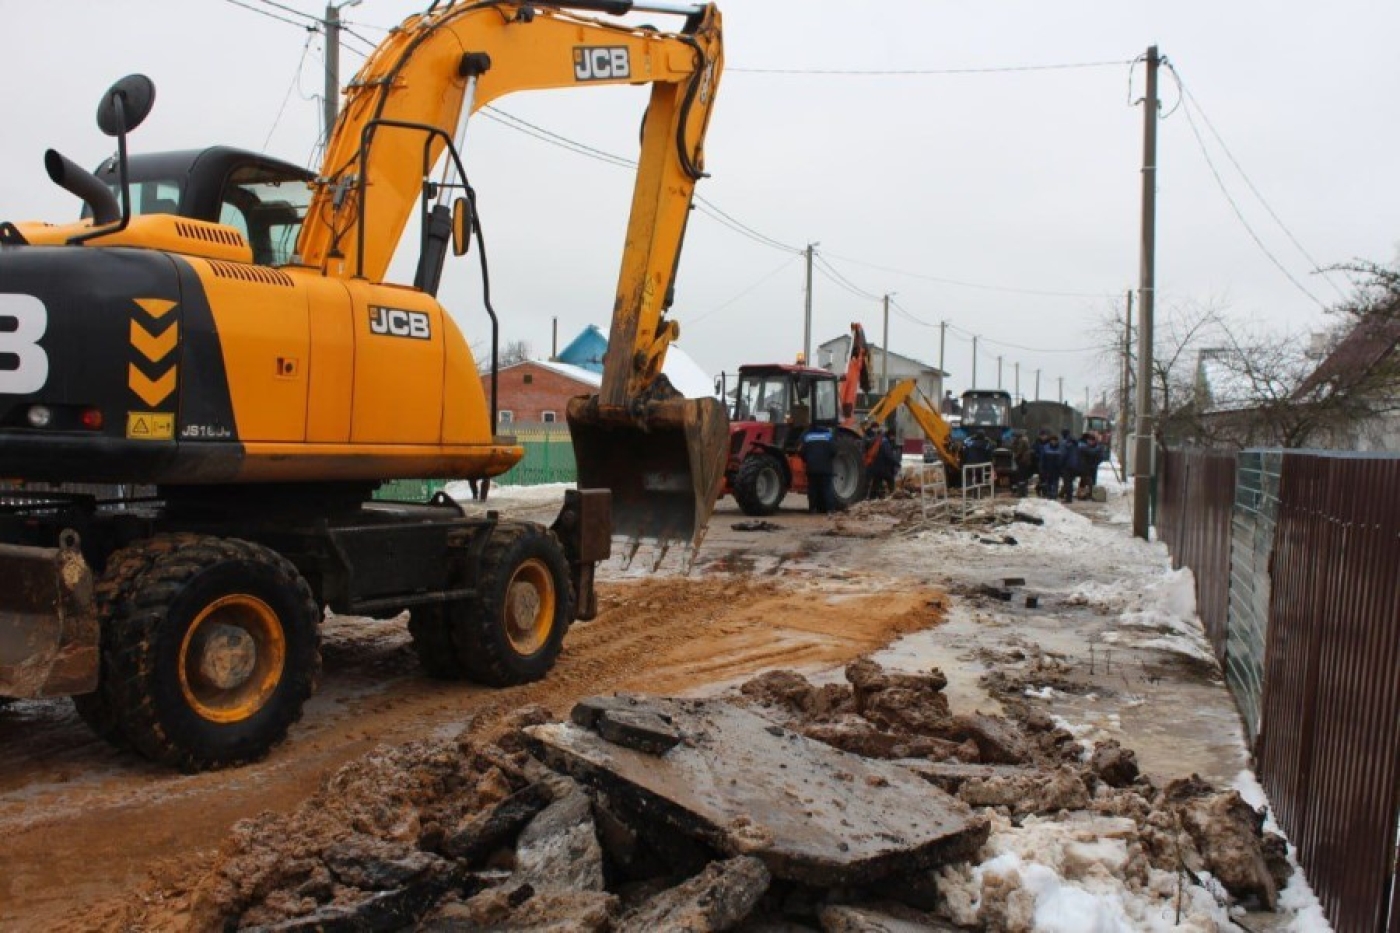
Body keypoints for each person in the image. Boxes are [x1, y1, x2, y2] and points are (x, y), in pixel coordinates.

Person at [801, 424, 837, 514]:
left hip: (812, 468)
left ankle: (812, 509)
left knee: (812, 489)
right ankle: (830, 509)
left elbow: (802, 452)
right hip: (826, 469)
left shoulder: (808, 437)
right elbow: (834, 451)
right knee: (827, 489)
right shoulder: (828, 436)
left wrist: (808, 460)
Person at [1077, 433, 1103, 500]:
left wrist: (1095, 464)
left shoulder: (1095, 447)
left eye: (1091, 441)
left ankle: (1090, 494)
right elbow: (1091, 453)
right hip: (1085, 467)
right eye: (1089, 440)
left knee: (1091, 481)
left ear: (1094, 441)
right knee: (1085, 481)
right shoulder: (1085, 447)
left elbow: (1100, 457)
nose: (1089, 442)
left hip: (1092, 467)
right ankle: (1083, 494)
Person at [1038, 433, 1064, 499]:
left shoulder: (1060, 447)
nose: (1053, 442)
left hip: (1056, 468)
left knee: (1055, 482)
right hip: (1048, 468)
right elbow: (1042, 458)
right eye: (1052, 440)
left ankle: (1054, 494)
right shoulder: (1046, 447)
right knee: (1048, 481)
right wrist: (1041, 467)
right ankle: (1049, 493)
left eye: (1055, 440)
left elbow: (1062, 458)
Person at [1058, 428, 1080, 503]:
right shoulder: (1074, 442)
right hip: (1075, 465)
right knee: (1070, 482)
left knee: (1067, 482)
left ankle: (1068, 498)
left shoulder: (1064, 443)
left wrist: (1060, 464)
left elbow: (1063, 454)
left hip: (1067, 465)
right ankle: (1069, 497)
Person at [1010, 430, 1033, 496]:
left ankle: (1022, 492)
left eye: (1014, 437)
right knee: (1022, 477)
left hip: (1022, 461)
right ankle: (1023, 492)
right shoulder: (1023, 440)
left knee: (1021, 477)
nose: (1013, 438)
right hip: (1023, 460)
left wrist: (1016, 457)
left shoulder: (1022, 441)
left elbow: (1019, 451)